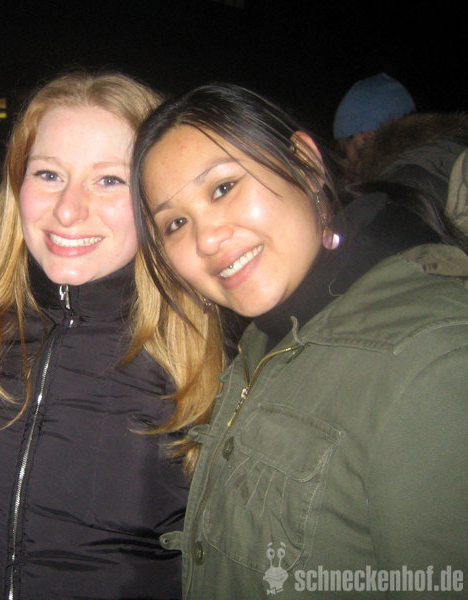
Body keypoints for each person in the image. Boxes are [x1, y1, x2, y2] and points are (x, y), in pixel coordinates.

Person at [131, 82, 468, 598]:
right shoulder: (266, 339)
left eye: (223, 188)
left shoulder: (431, 360)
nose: (206, 239)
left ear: (306, 164)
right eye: (175, 222)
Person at [0, 72, 223, 600]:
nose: (69, 210)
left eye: (109, 180)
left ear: (154, 196)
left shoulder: (205, 359)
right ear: (16, 185)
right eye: (48, 174)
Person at [333, 72, 416, 182]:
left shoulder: (389, 186)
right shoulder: (424, 165)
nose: (346, 164)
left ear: (366, 135)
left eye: (344, 152)